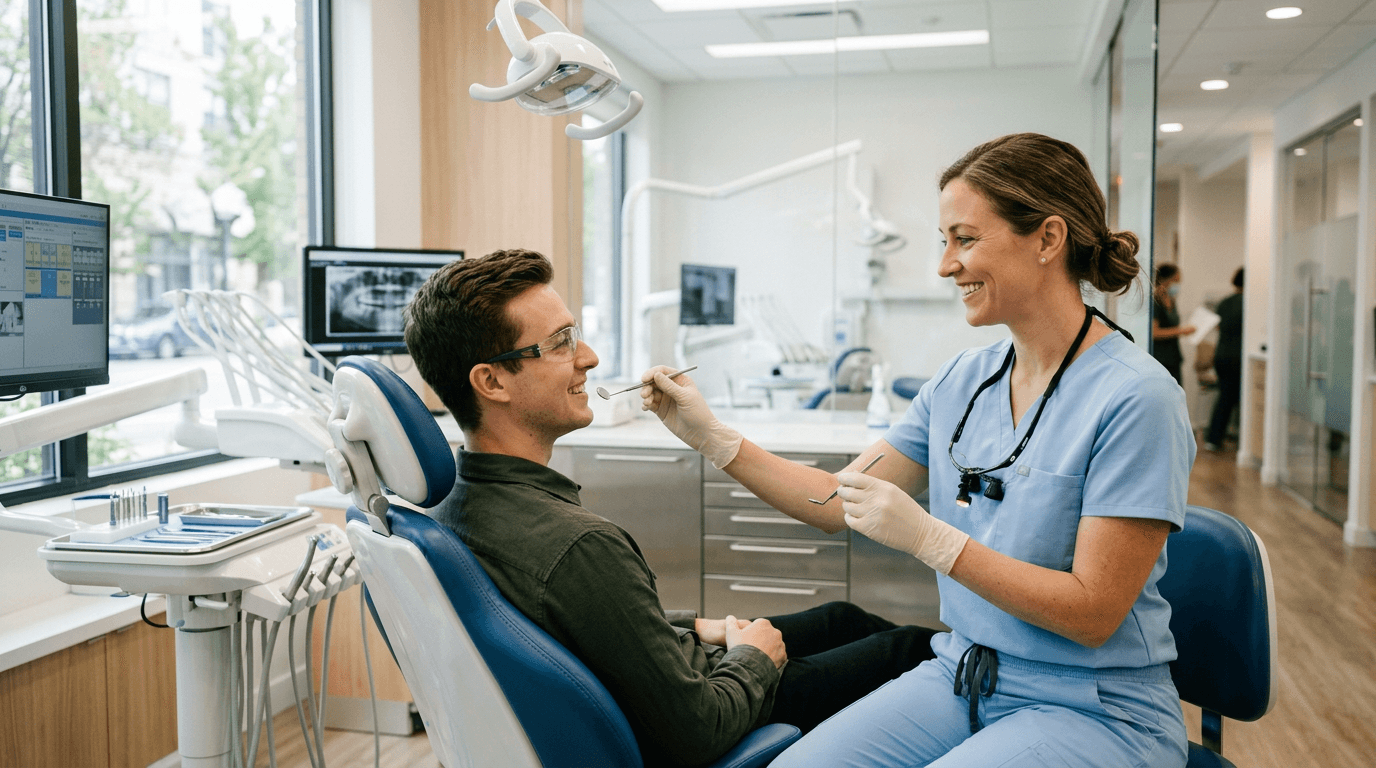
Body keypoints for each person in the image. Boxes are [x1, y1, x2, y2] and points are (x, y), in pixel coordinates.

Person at [642, 133, 1195, 768]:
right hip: (965, 675)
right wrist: (711, 437)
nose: (945, 265)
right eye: (944, 242)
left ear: (1047, 239)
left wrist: (934, 540)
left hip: (1095, 706)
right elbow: (834, 501)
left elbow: (1095, 613)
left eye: (965, 239)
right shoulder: (963, 381)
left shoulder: (1137, 398)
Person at [402, 248, 939, 768]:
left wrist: (687, 624)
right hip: (714, 713)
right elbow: (697, 733)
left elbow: (586, 620)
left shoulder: (458, 505)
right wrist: (755, 659)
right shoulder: (579, 547)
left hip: (677, 672)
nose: (589, 357)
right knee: (910, 651)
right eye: (562, 342)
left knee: (842, 619)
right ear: (491, 381)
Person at [1205, 268, 1244, 451]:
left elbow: (1218, 328)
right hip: (1237, 357)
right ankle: (1242, 441)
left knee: (1225, 398)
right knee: (1237, 400)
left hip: (1221, 356)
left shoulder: (1224, 302)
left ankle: (1213, 438)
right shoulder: (1248, 303)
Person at [1152, 263, 1196, 384]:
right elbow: (1154, 332)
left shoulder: (1171, 300)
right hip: (1160, 358)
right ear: (1165, 280)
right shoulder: (1155, 302)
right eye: (1175, 281)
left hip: (1174, 357)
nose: (1177, 285)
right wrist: (1181, 331)